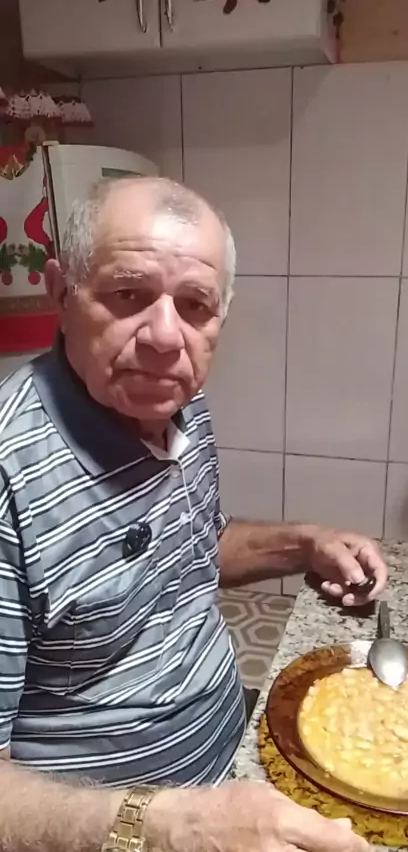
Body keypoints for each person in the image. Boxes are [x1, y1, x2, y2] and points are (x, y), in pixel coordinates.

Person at [0, 177, 386, 852]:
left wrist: (304, 544)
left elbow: (187, 555)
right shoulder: (10, 474)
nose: (164, 336)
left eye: (195, 305)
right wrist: (167, 827)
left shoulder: (175, 405)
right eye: (128, 295)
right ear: (62, 293)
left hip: (234, 764)